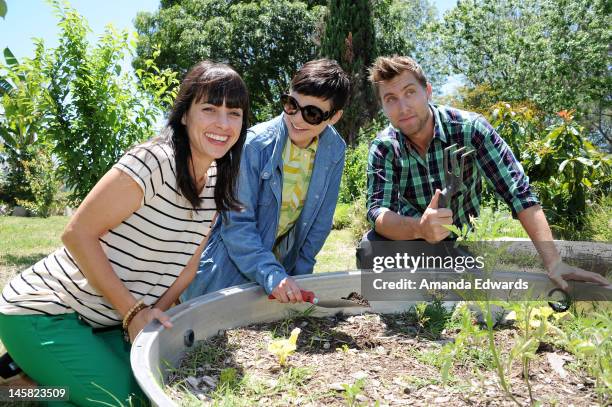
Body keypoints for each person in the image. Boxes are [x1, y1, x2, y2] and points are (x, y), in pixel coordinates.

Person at [0, 61, 249, 406]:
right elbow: (77, 234)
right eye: (209, 109)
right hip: (42, 313)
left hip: (103, 321)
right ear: (184, 115)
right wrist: (133, 313)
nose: (223, 124)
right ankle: (31, 383)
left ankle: (28, 380)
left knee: (153, 391)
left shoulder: (217, 180)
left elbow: (188, 269)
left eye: (233, 113)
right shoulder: (154, 161)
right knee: (122, 402)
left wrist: (149, 322)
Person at [361, 55, 608, 289]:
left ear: (427, 92)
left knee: (480, 301)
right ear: (383, 106)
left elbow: (517, 191)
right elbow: (378, 211)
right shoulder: (384, 147)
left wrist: (554, 261)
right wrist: (420, 229)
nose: (403, 107)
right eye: (391, 98)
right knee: (369, 252)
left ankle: (439, 280)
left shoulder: (470, 130)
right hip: (408, 242)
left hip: (460, 244)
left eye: (410, 92)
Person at [182, 59, 350, 304]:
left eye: (312, 113)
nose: (297, 119)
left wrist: (300, 278)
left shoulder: (335, 150)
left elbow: (319, 225)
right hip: (225, 270)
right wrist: (271, 274)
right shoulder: (254, 145)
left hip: (280, 273)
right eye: (291, 104)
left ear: (334, 117)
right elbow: (238, 226)